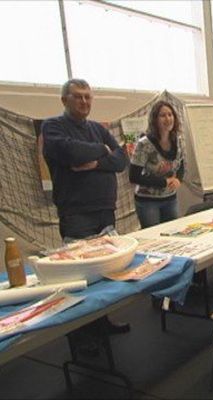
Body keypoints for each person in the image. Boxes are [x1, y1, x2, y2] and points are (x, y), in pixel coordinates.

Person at [42, 78, 129, 336]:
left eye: (88, 96)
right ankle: (82, 335)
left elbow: (121, 160)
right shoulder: (53, 127)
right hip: (76, 213)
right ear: (64, 100)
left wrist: (97, 160)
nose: (84, 101)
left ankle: (102, 321)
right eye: (78, 96)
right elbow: (71, 153)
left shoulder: (97, 128)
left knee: (105, 271)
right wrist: (103, 150)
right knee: (79, 276)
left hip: (105, 210)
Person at [129, 101, 184, 228]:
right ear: (155, 119)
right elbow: (134, 177)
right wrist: (164, 182)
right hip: (148, 201)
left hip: (170, 198)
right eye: (163, 115)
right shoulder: (144, 144)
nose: (168, 119)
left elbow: (181, 165)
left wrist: (178, 179)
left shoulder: (177, 140)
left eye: (170, 115)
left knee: (173, 235)